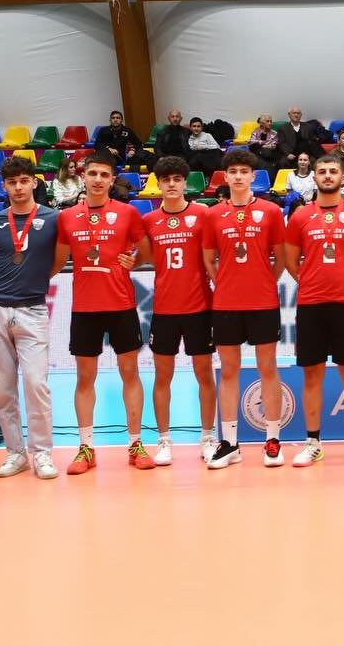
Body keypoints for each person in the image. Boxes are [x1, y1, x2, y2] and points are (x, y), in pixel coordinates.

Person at [53, 153, 149, 474]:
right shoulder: (67, 217)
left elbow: (145, 249)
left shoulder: (127, 213)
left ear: (111, 179)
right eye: (92, 173)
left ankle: (135, 444)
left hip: (121, 304)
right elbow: (57, 261)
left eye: (104, 175)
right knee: (85, 378)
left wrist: (134, 261)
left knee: (130, 373)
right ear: (83, 176)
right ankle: (86, 448)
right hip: (85, 308)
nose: (97, 179)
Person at [282, 153, 344, 466]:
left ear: (342, 176)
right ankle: (313, 443)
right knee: (312, 375)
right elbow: (290, 261)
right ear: (314, 177)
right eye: (321, 171)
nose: (326, 175)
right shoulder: (300, 217)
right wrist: (311, 283)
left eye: (332, 171)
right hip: (311, 306)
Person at [0, 158, 61, 479]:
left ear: (34, 182)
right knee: (3, 390)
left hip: (32, 310)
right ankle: (15, 453)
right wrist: (7, 272)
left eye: (24, 181)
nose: (19, 187)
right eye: (12, 182)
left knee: (36, 384)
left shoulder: (53, 218)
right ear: (4, 186)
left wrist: (34, 277)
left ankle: (42, 453)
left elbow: (59, 260)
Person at [202, 149, 287, 469]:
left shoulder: (271, 211)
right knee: (229, 370)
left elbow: (280, 258)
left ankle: (273, 439)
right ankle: (230, 443)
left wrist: (263, 281)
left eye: (244, 172)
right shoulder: (213, 214)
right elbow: (209, 260)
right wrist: (225, 283)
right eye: (233, 172)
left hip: (263, 302)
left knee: (268, 367)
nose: (238, 176)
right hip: (226, 304)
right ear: (225, 177)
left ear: (253, 176)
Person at [136, 156, 216, 466]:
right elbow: (144, 257)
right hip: (165, 309)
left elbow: (213, 256)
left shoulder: (203, 214)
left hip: (200, 308)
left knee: (204, 374)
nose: (171, 184)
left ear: (185, 183)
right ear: (158, 183)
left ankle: (207, 437)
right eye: (166, 179)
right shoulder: (149, 220)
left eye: (177, 179)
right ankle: (164, 441)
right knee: (162, 377)